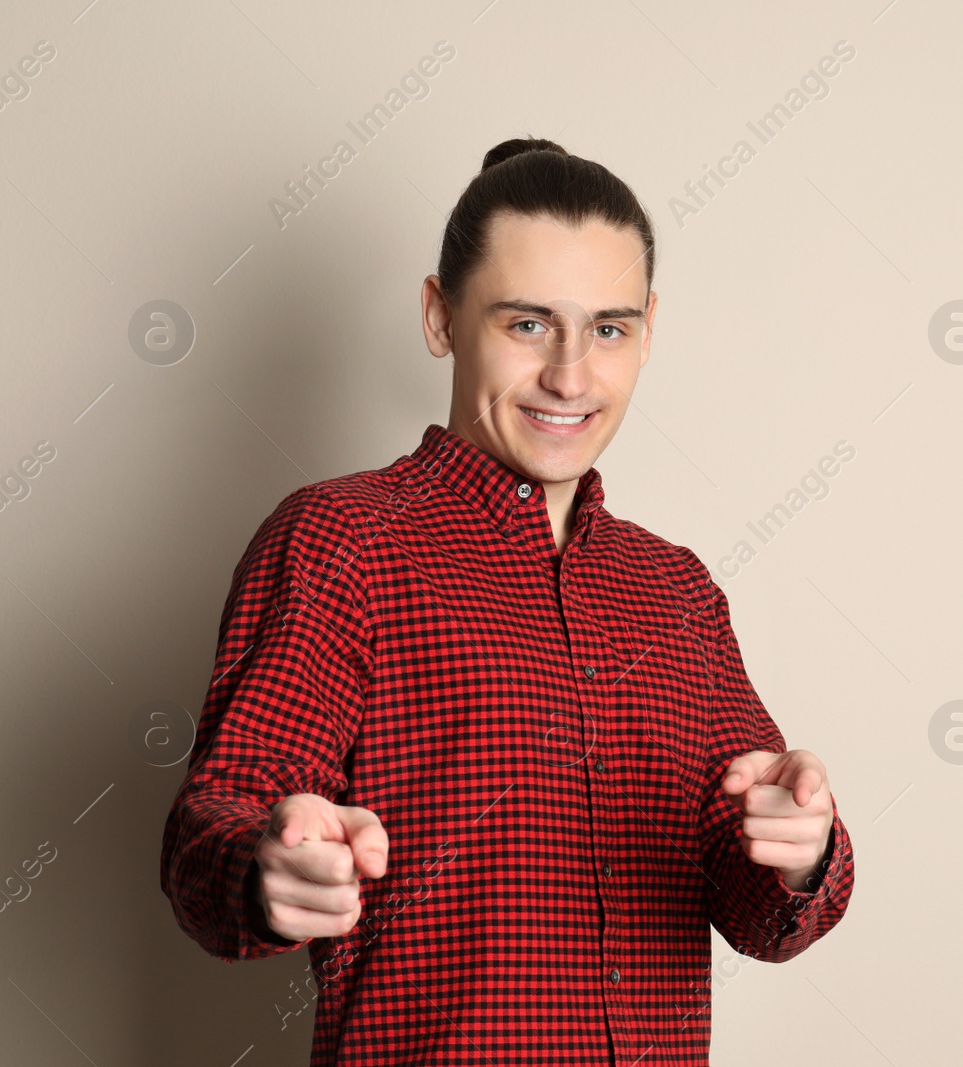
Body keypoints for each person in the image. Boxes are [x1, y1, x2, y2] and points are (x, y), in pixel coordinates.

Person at [159, 137, 854, 1065]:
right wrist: (268, 869)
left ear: (649, 329)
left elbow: (763, 914)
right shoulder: (341, 541)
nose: (571, 375)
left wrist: (800, 848)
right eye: (529, 324)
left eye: (607, 328)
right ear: (441, 316)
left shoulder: (678, 590)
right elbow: (214, 821)